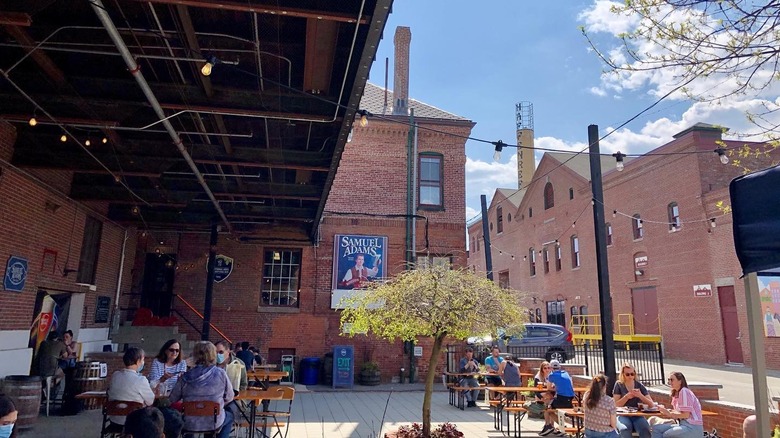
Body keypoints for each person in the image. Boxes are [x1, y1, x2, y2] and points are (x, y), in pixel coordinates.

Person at [169, 341, 234, 438]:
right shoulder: (221, 374)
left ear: (195, 355)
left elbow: (173, 398)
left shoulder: (185, 376)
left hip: (190, 422)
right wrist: (218, 404)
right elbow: (230, 396)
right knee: (229, 416)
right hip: (213, 421)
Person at [107, 347, 155, 426]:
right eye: (143, 360)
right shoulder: (141, 380)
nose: (143, 362)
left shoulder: (115, 375)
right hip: (135, 422)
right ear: (138, 361)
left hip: (115, 420)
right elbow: (150, 401)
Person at [651, 372, 703, 438]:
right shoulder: (676, 393)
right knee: (656, 428)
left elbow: (686, 415)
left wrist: (669, 414)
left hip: (692, 427)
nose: (669, 382)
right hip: (682, 424)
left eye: (672, 380)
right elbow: (679, 412)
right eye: (668, 380)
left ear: (680, 381)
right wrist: (666, 410)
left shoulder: (684, 391)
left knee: (667, 434)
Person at [613, 363, 653, 438]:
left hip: (637, 415)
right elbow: (615, 405)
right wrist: (626, 397)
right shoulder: (619, 385)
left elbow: (651, 404)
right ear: (623, 374)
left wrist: (640, 395)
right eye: (627, 374)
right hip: (623, 415)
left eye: (632, 374)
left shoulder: (639, 385)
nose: (630, 376)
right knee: (624, 429)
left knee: (645, 429)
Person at [541, 359, 576, 436]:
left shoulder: (551, 375)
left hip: (562, 398)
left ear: (551, 368)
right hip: (570, 398)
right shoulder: (566, 373)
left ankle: (550, 426)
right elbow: (569, 385)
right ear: (559, 367)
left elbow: (549, 388)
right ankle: (561, 428)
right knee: (558, 410)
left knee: (548, 409)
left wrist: (555, 388)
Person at [215, 340, 247, 420]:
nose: (218, 355)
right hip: (215, 398)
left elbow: (244, 384)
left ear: (228, 351)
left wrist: (235, 393)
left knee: (230, 410)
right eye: (215, 352)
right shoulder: (211, 364)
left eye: (221, 352)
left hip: (234, 399)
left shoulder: (239, 364)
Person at [37, 331, 67, 398]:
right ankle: (47, 387)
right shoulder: (60, 344)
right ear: (57, 337)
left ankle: (46, 386)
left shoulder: (43, 343)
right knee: (61, 374)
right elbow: (65, 356)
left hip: (41, 367)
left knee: (48, 377)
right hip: (52, 367)